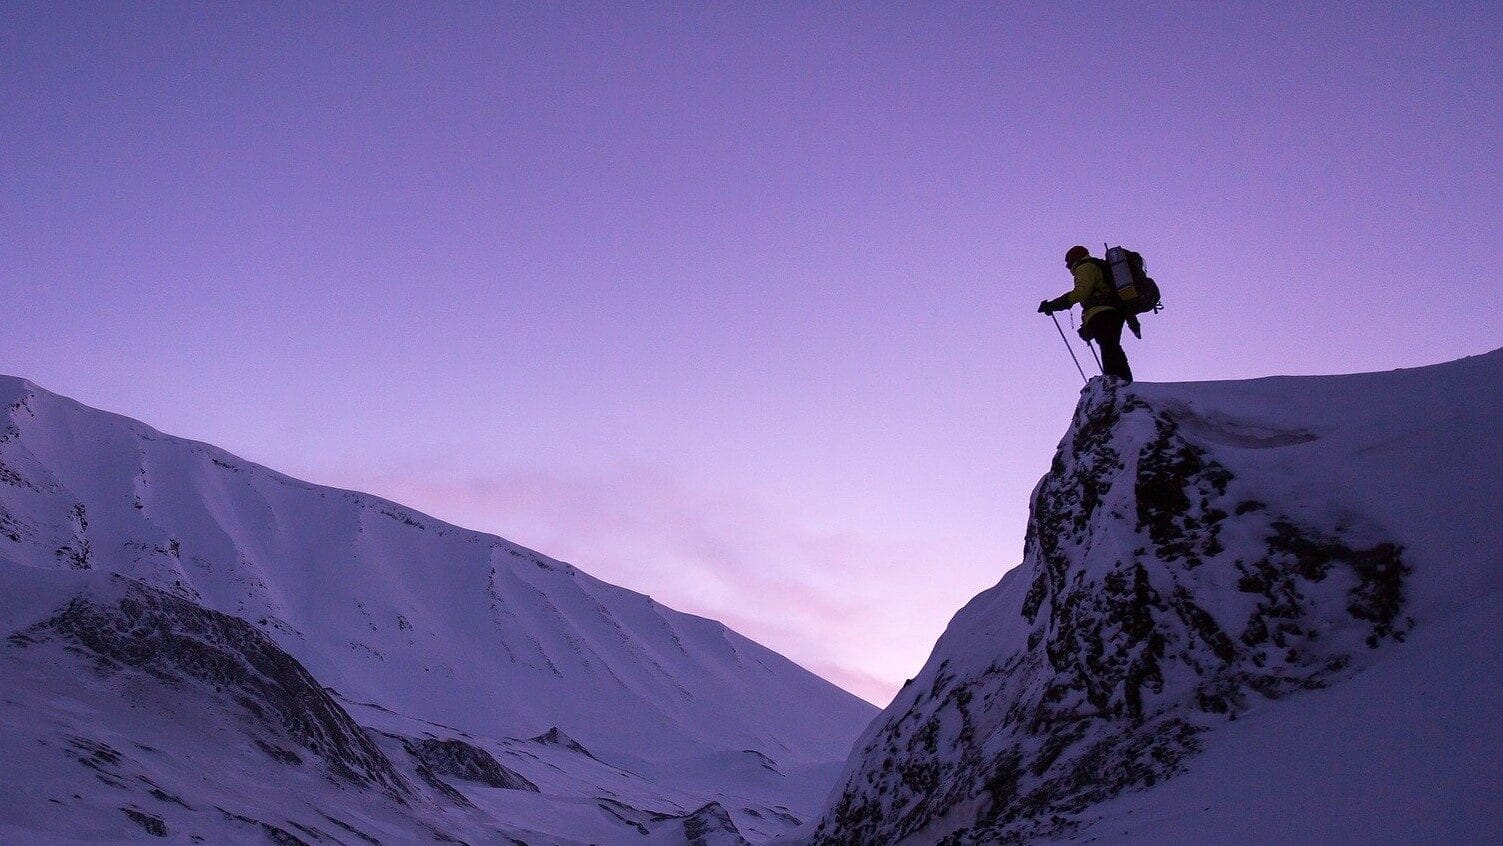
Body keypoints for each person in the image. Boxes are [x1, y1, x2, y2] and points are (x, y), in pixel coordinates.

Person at [1039, 245, 1136, 383]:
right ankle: (1121, 380)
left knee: (1109, 347)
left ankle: (1117, 381)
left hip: (1102, 313)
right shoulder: (1096, 265)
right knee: (1110, 345)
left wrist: (1054, 305)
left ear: (1074, 259)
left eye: (1068, 262)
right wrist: (1086, 326)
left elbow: (1082, 292)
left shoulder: (1084, 267)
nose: (1067, 267)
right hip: (1113, 312)